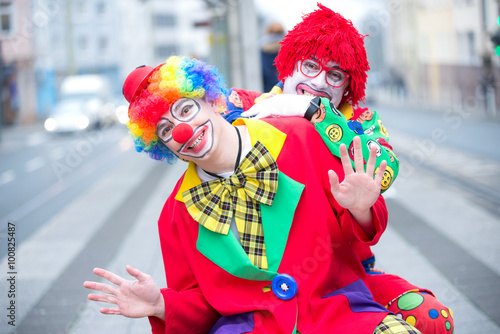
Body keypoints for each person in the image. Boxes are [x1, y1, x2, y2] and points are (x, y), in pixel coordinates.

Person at [84, 56, 422, 333]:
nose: (183, 131)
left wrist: (361, 208)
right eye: (166, 130)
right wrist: (161, 304)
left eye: (186, 111)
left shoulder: (300, 138)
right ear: (162, 146)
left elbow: (354, 235)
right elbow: (203, 304)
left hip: (335, 311)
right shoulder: (176, 214)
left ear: (211, 99)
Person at [221, 4, 454, 333]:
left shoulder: (362, 123)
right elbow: (209, 137)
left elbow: (384, 170)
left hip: (346, 276)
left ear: (347, 86)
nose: (318, 82)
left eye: (334, 74)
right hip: (265, 283)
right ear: (288, 66)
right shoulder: (244, 104)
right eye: (310, 66)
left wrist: (311, 111)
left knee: (432, 318)